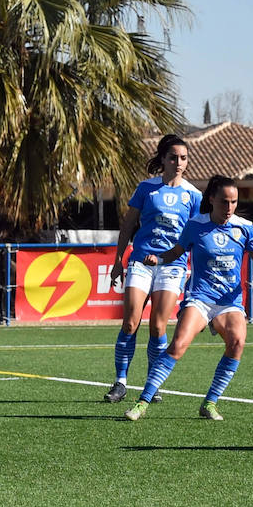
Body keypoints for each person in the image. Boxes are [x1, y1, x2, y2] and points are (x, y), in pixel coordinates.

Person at [124, 175, 253, 421]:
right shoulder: (196, 225)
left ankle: (209, 403)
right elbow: (176, 252)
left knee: (237, 342)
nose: (229, 208)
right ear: (211, 200)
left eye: (233, 202)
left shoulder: (245, 227)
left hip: (229, 302)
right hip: (199, 298)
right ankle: (142, 402)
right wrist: (159, 259)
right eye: (224, 202)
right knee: (177, 346)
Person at [103, 134, 202, 404]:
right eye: (173, 157)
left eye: (183, 158)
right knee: (131, 322)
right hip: (141, 262)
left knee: (158, 327)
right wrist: (117, 262)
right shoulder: (146, 188)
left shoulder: (194, 195)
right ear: (163, 159)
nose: (179, 162)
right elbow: (127, 226)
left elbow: (196, 236)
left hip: (172, 266)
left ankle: (152, 383)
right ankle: (120, 382)